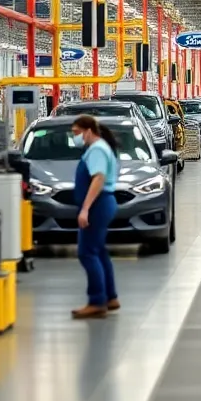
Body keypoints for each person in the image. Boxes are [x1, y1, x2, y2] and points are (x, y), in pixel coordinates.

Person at [70, 115, 120, 319]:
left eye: (76, 133)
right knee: (98, 251)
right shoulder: (99, 148)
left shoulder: (97, 149)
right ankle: (110, 297)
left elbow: (98, 178)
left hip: (98, 205)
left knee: (87, 252)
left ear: (88, 131)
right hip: (104, 203)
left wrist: (85, 209)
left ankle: (97, 301)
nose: (74, 137)